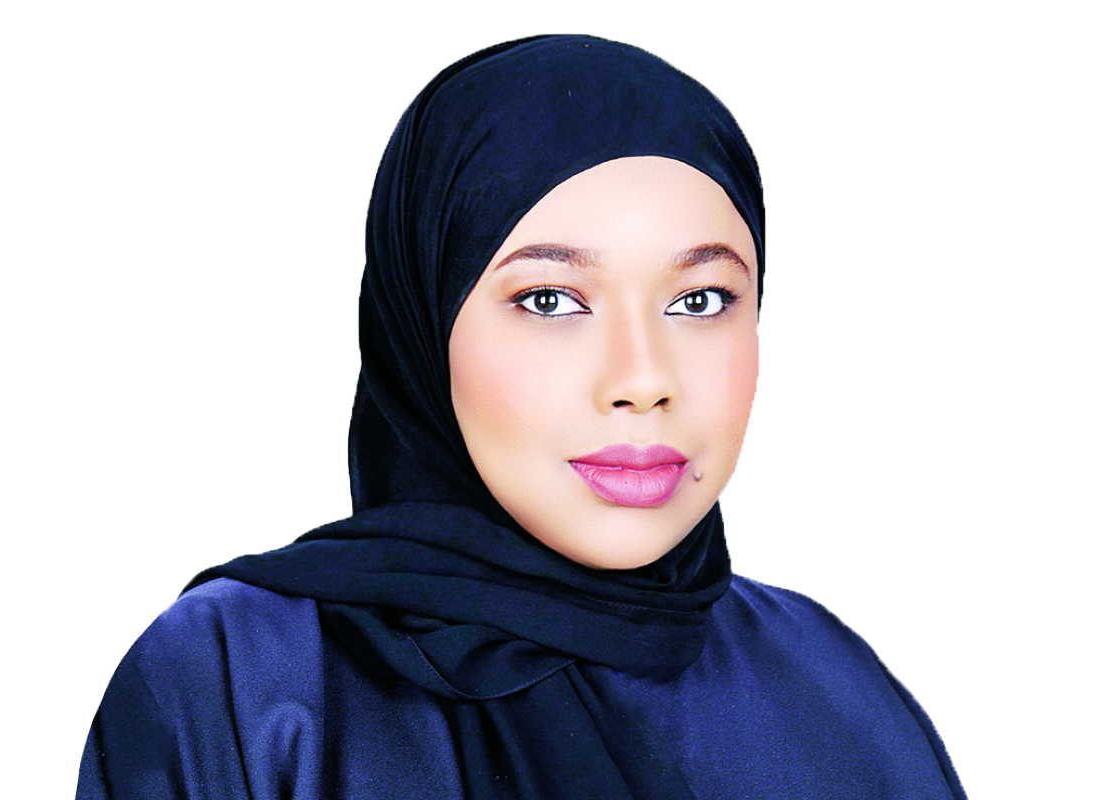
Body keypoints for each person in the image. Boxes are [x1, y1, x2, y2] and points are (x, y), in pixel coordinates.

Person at [79, 34, 966, 799]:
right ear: (423, 327)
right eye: (549, 300)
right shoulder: (239, 682)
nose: (642, 379)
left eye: (698, 301)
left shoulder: (833, 687)